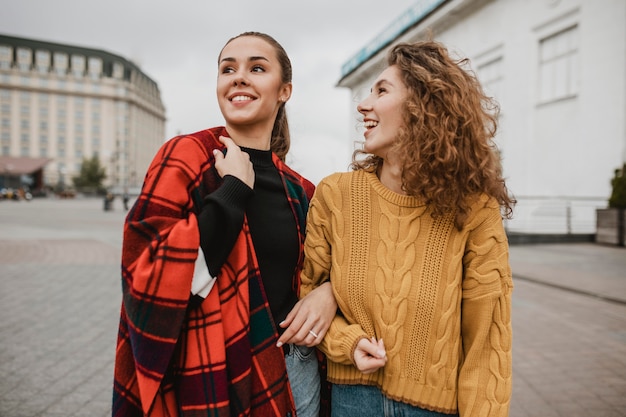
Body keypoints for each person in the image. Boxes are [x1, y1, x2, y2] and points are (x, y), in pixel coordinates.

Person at [112, 32, 335, 417]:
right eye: (227, 68)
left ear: (285, 91)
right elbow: (144, 272)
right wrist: (232, 191)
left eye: (257, 68)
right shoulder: (187, 155)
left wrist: (329, 293)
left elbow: (328, 271)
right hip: (207, 369)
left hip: (293, 376)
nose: (238, 77)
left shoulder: (302, 191)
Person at [299, 39, 516, 417]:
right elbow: (306, 297)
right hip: (351, 403)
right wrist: (347, 342)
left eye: (381, 90)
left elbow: (486, 344)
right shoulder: (335, 195)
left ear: (424, 106)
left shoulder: (475, 210)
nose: (363, 104)